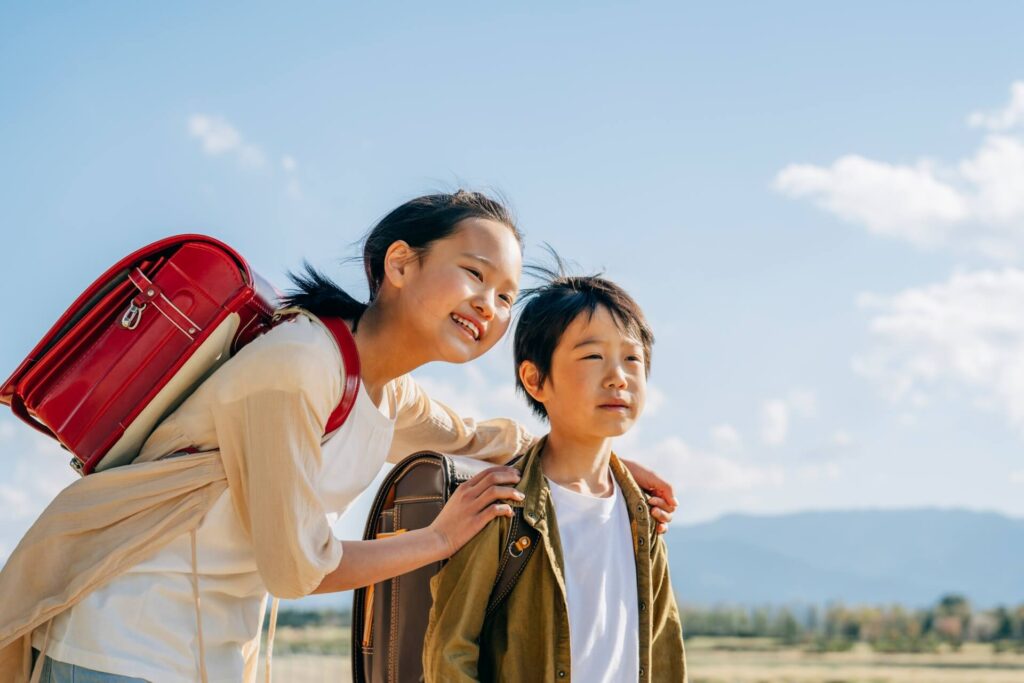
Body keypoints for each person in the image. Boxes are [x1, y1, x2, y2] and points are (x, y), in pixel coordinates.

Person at [0, 191, 677, 683]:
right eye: (474, 273)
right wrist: (437, 539)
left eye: (505, 296)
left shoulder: (383, 390)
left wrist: (606, 464)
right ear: (401, 265)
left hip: (201, 650)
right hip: (120, 640)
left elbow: (486, 437)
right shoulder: (299, 365)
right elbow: (295, 565)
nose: (489, 307)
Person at [424, 274, 687, 682]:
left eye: (632, 359)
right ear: (535, 379)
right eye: (592, 357)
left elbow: (661, 649)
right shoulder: (501, 505)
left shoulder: (643, 514)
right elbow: (449, 653)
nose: (618, 375)